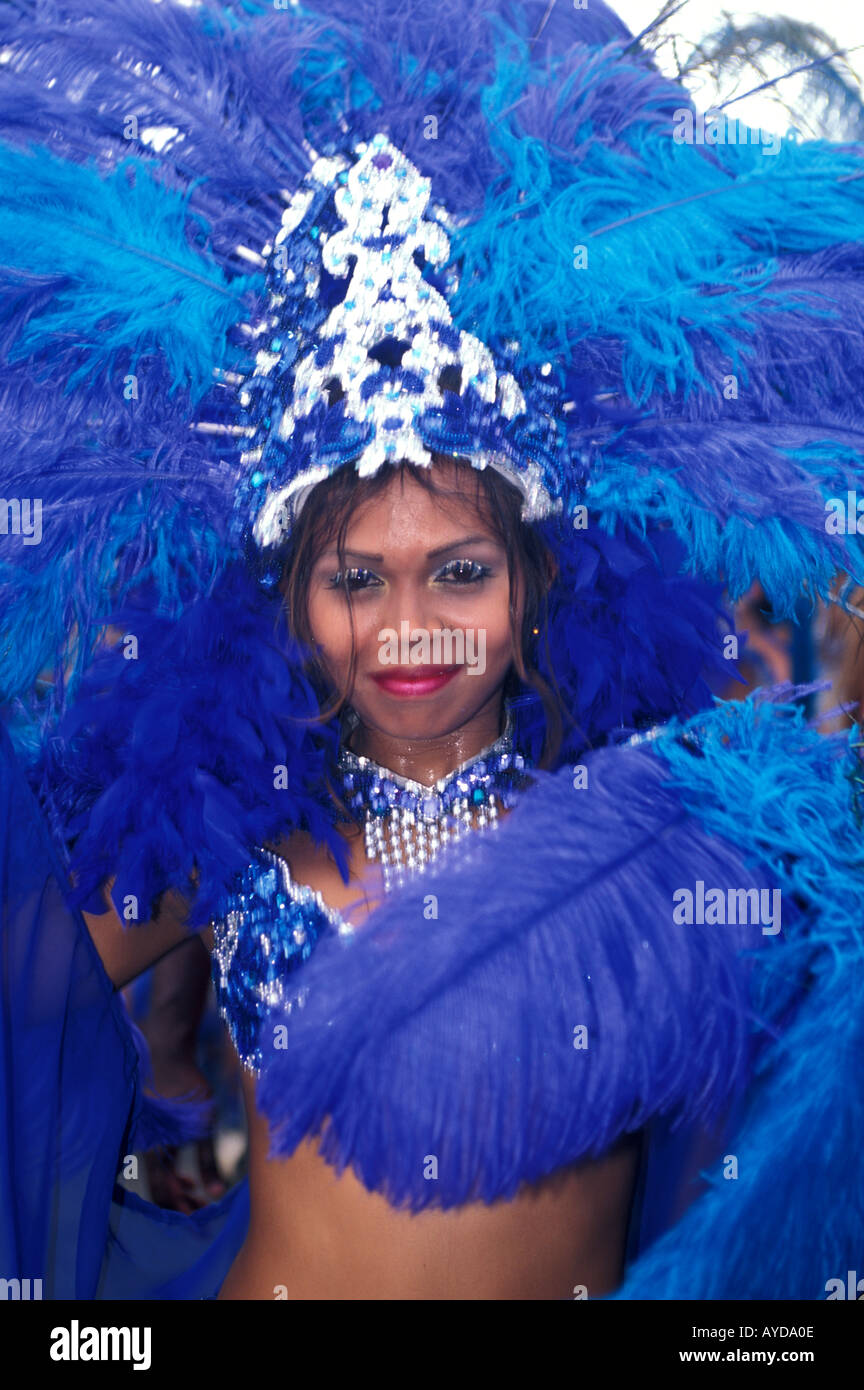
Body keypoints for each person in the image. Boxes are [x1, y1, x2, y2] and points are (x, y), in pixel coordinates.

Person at [1, 0, 863, 1302]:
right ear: (291, 602)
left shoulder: (669, 821)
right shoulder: (230, 831)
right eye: (357, 578)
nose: (408, 627)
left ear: (536, 583)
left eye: (459, 572)